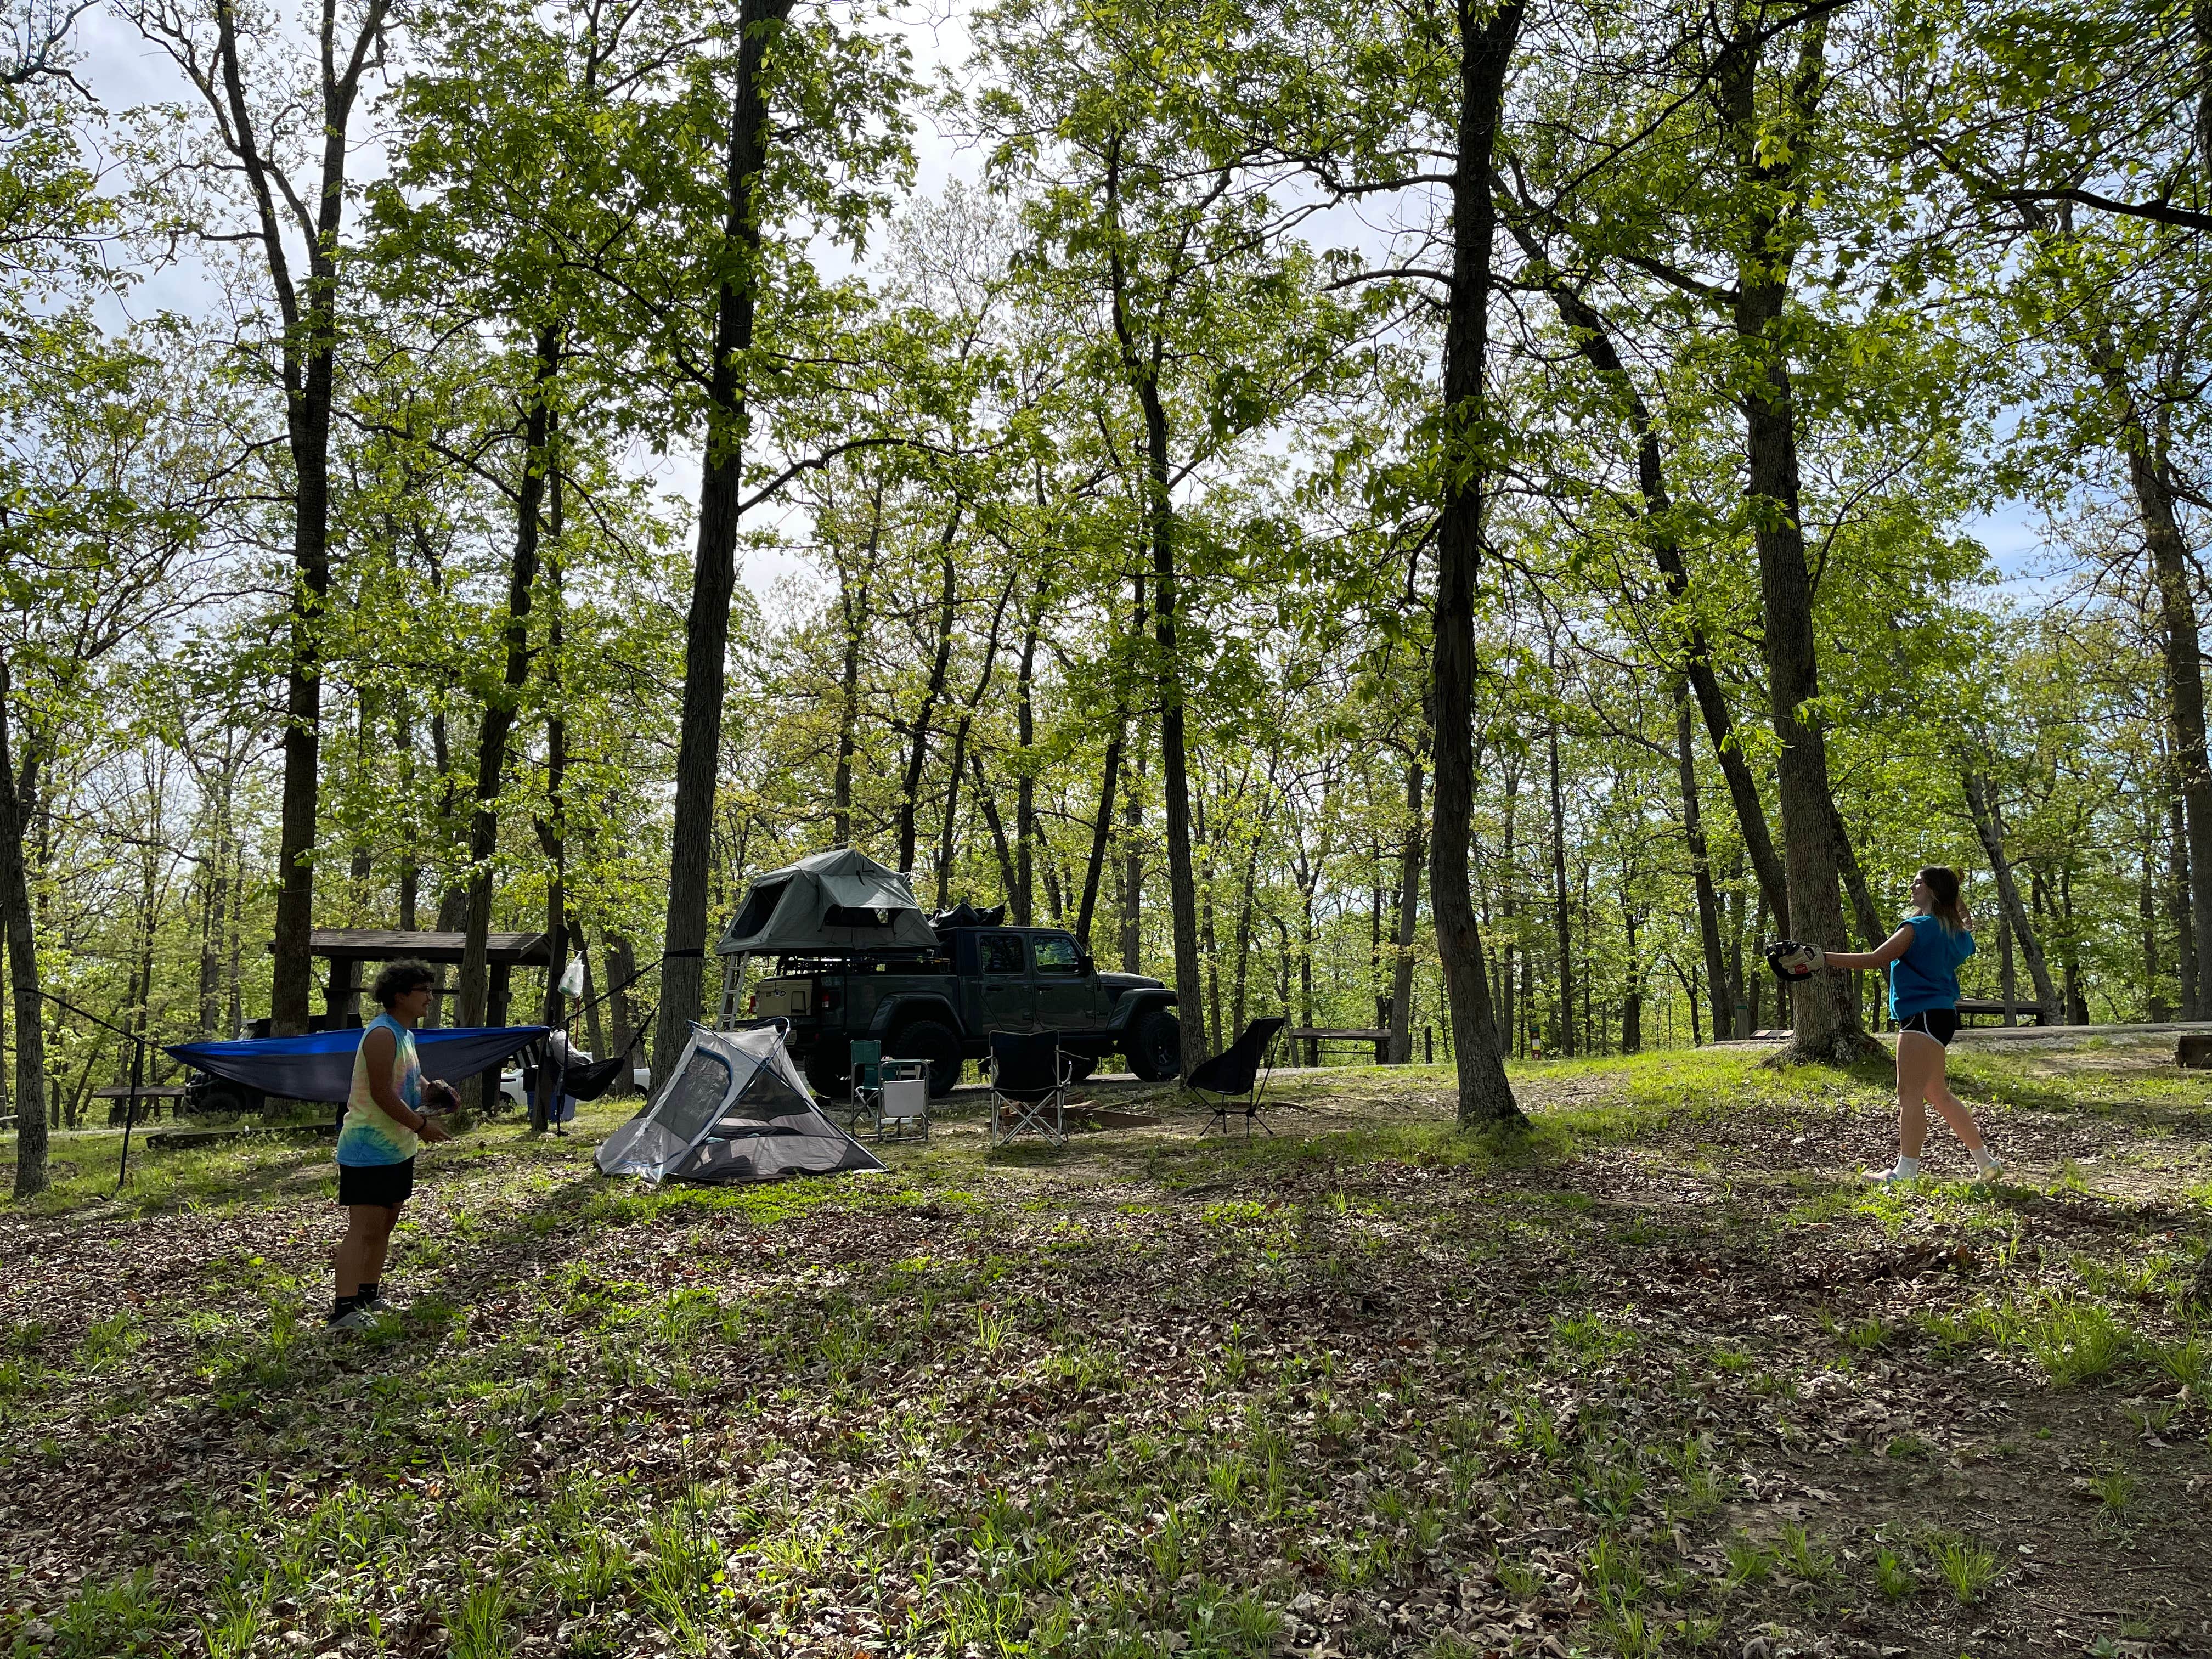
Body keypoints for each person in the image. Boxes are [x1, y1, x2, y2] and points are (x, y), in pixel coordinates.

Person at [1819, 866, 2003, 1186]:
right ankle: (1987, 1163)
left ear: (1933, 890)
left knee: (1909, 1093)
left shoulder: (1916, 928)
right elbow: (1964, 922)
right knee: (1937, 1093)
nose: (1912, 888)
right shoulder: (1957, 934)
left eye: (1918, 883)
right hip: (1941, 1016)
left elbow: (1875, 959)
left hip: (1921, 1016)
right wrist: (1953, 896)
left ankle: (1906, 1172)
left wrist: (1822, 958)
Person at [330, 960, 455, 1329]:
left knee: (385, 1224)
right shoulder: (382, 1035)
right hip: (368, 1148)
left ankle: (367, 1296)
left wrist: (435, 1091)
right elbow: (382, 1094)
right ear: (400, 995)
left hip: (397, 1147)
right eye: (424, 991)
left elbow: (410, 1080)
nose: (430, 998)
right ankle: (344, 1311)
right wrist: (422, 1126)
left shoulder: (405, 1034)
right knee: (364, 1229)